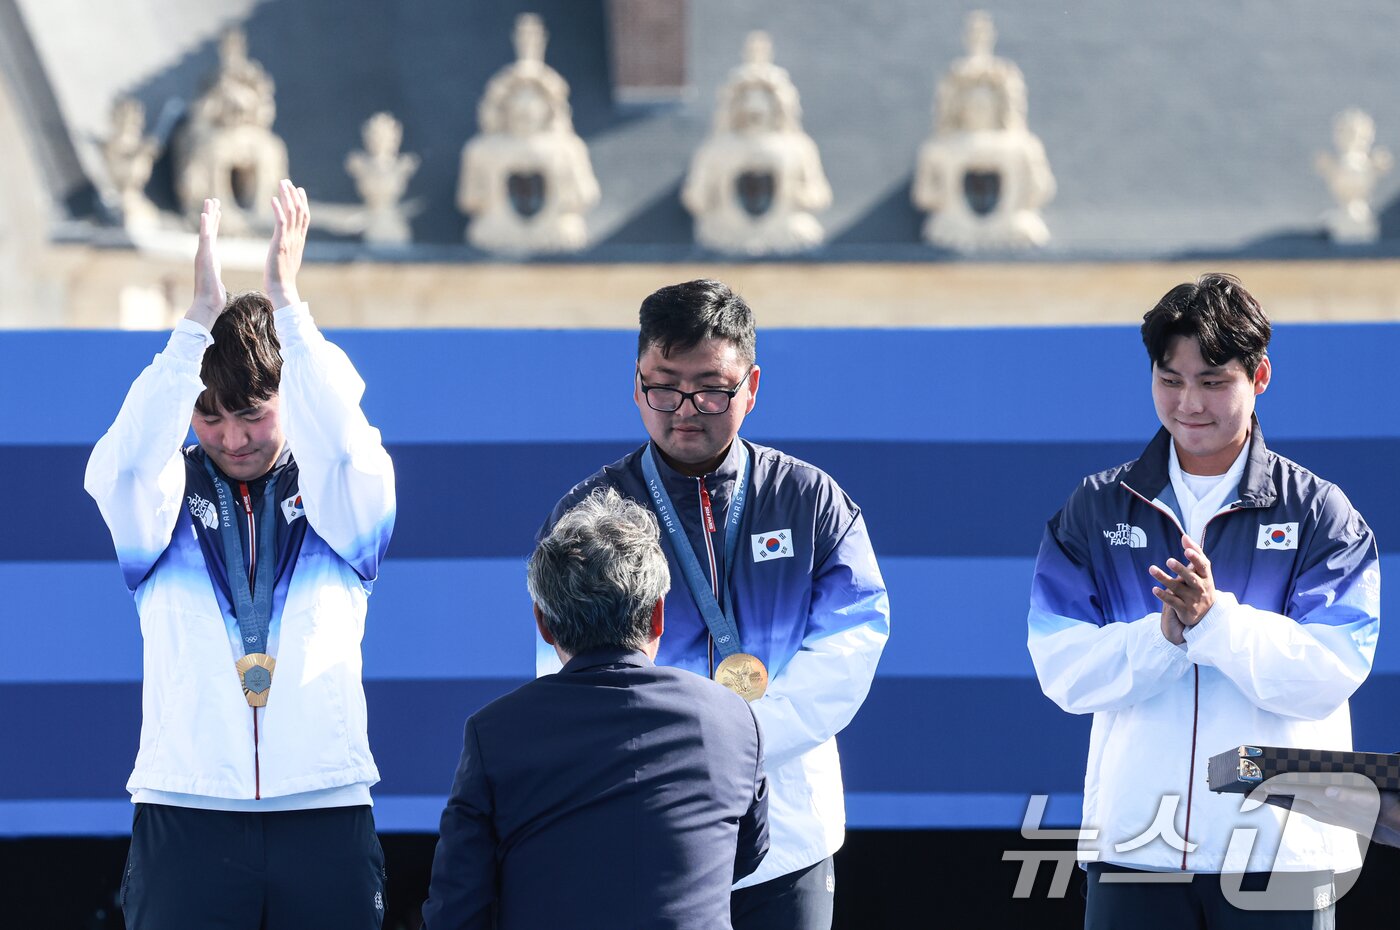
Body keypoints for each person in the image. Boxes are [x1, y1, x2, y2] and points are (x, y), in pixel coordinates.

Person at [85, 181, 396, 929]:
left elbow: (351, 451)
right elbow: (116, 471)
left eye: (253, 413)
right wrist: (193, 328)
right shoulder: (161, 497)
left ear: (286, 396)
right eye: (210, 416)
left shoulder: (338, 497)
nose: (231, 438)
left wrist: (290, 310)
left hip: (323, 804)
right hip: (184, 806)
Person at [1028, 273, 1381, 928]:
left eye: (1213, 381)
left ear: (1260, 376)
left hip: (1280, 853)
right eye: (1170, 379)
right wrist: (1162, 636)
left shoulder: (1320, 514)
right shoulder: (1096, 508)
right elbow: (1062, 670)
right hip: (1137, 847)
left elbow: (1330, 673)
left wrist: (1215, 622)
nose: (1189, 402)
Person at [536, 279, 890, 930]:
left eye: (712, 388)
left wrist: (745, 741)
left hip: (788, 836)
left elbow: (853, 639)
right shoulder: (590, 515)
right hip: (646, 827)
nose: (685, 409)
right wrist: (672, 750)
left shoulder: (811, 501)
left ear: (751, 386)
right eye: (663, 385)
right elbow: (567, 670)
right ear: (635, 383)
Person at [420, 488, 770, 930]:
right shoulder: (734, 719)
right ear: (659, 615)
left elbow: (456, 910)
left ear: (543, 624)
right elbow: (744, 854)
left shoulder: (493, 734)